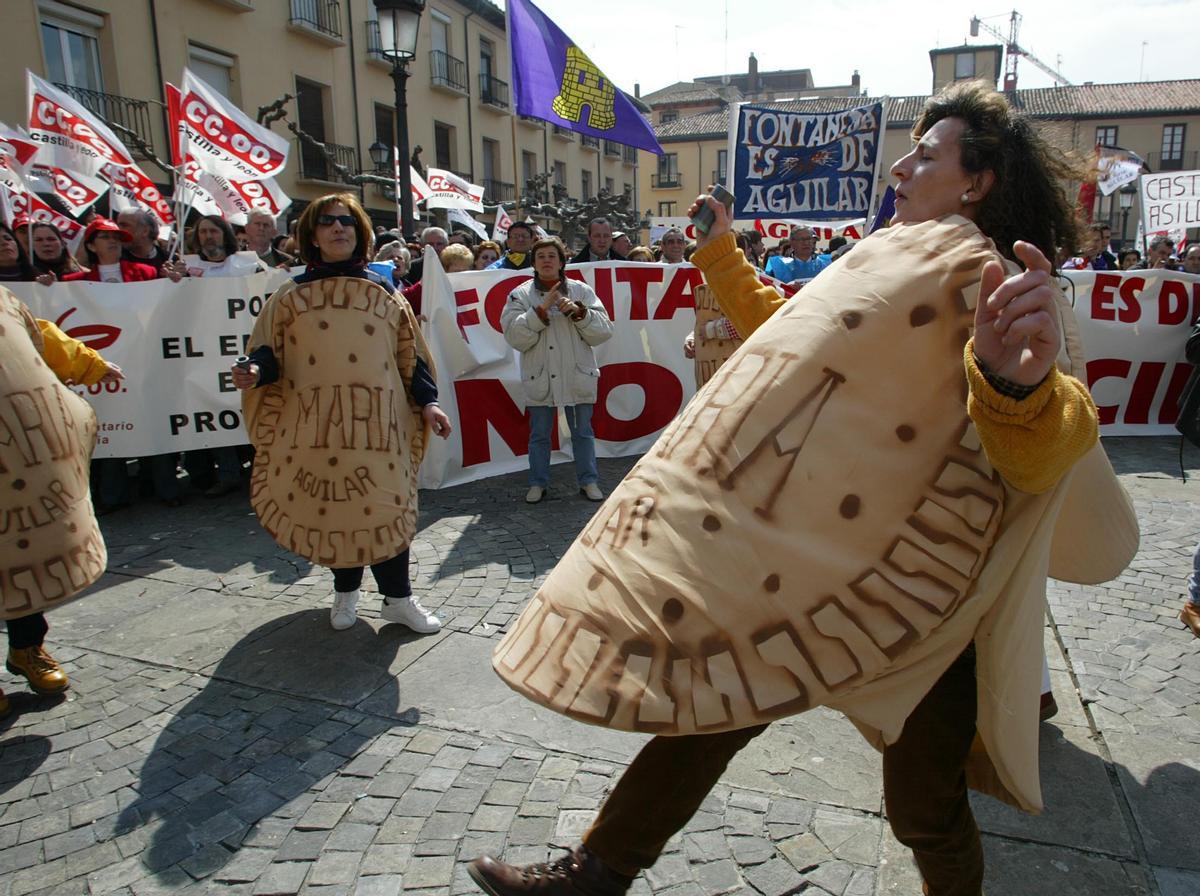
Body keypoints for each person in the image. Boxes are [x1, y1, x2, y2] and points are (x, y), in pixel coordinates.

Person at [469, 80, 1132, 896]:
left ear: (977, 182)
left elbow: (1049, 445)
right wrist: (720, 256)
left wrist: (1016, 388)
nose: (901, 165)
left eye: (926, 155)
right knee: (714, 704)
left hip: (924, 595)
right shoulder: (884, 254)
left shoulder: (996, 282)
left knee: (923, 806)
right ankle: (595, 876)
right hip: (804, 556)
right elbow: (792, 340)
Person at [233, 192, 452, 633]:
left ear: (360, 232)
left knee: (387, 506)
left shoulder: (386, 291)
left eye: (347, 222)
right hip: (318, 428)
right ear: (312, 235)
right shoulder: (289, 296)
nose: (338, 229)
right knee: (335, 508)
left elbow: (410, 355)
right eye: (328, 222)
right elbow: (268, 352)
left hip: (381, 426)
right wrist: (255, 372)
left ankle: (398, 599)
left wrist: (428, 402)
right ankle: (345, 593)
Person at [1, 291, 119, 716]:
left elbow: (35, 336)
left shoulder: (1, 300)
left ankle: (27, 649)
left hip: (15, 462)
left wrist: (86, 362)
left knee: (20, 552)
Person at [501, 236, 613, 505]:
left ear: (562, 261)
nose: (547, 260)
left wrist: (580, 313)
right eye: (541, 256)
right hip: (540, 374)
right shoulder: (519, 294)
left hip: (577, 373)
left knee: (582, 433)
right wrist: (538, 312)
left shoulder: (581, 291)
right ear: (534, 263)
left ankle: (589, 481)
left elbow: (604, 331)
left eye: (552, 255)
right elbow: (514, 336)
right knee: (539, 435)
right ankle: (538, 483)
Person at [764, 224, 830, 286]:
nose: (806, 243)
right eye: (802, 239)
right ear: (792, 242)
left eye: (809, 239)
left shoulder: (827, 263)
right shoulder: (776, 265)